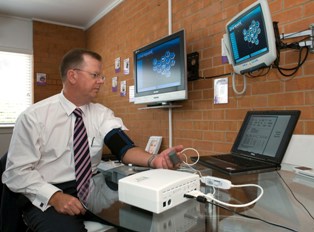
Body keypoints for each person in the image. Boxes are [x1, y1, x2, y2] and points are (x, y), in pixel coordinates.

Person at [2, 48, 183, 232]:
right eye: (95, 75)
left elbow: (124, 148)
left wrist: (154, 159)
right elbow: (16, 172)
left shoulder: (101, 114)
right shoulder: (34, 117)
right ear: (73, 75)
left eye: (101, 76)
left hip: (92, 189)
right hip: (47, 193)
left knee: (144, 220)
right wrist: (55, 196)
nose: (101, 81)